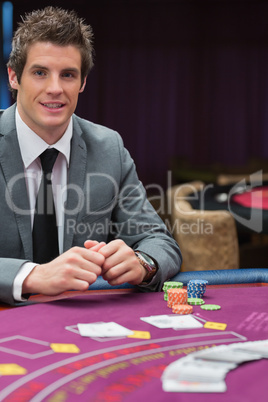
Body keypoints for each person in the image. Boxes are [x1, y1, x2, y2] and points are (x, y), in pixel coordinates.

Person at [0, 6, 182, 305]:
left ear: (83, 82)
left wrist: (142, 262)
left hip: (81, 323)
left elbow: (160, 242)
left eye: (68, 75)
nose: (55, 88)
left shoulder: (108, 147)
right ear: (14, 77)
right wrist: (31, 276)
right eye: (40, 72)